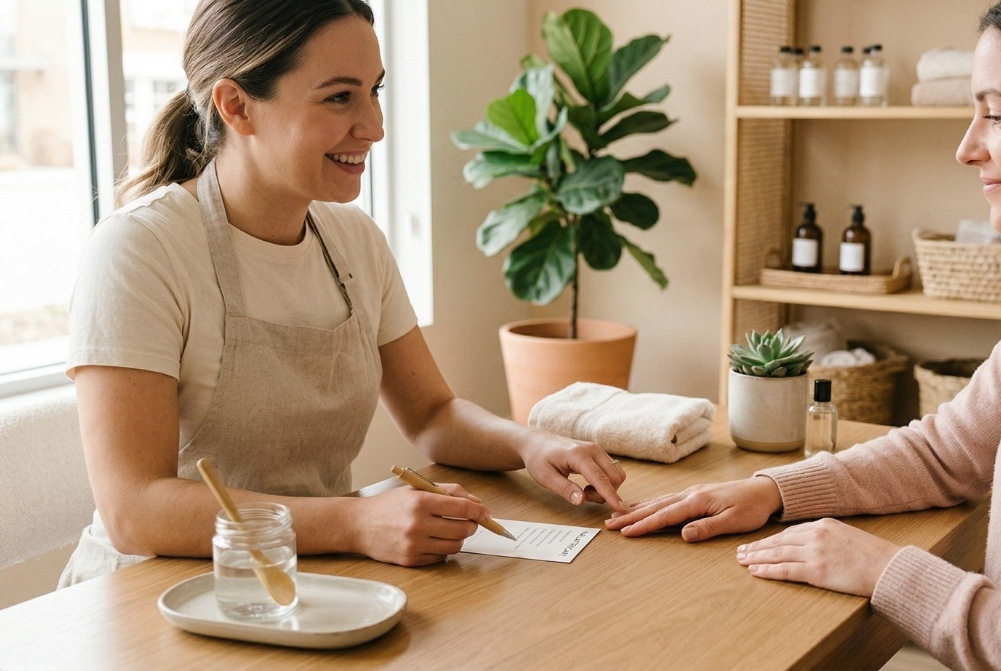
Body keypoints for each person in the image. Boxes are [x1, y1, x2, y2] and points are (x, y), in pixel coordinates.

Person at [606, 0, 1001, 667]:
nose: (967, 147)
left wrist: (887, 569)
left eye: (996, 114)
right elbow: (949, 450)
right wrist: (776, 491)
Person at [60, 0, 625, 586]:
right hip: (152, 595)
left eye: (375, 91)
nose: (375, 127)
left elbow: (432, 413)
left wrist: (531, 445)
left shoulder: (354, 239)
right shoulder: (139, 249)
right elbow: (135, 509)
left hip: (306, 580)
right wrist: (354, 523)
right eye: (339, 97)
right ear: (236, 106)